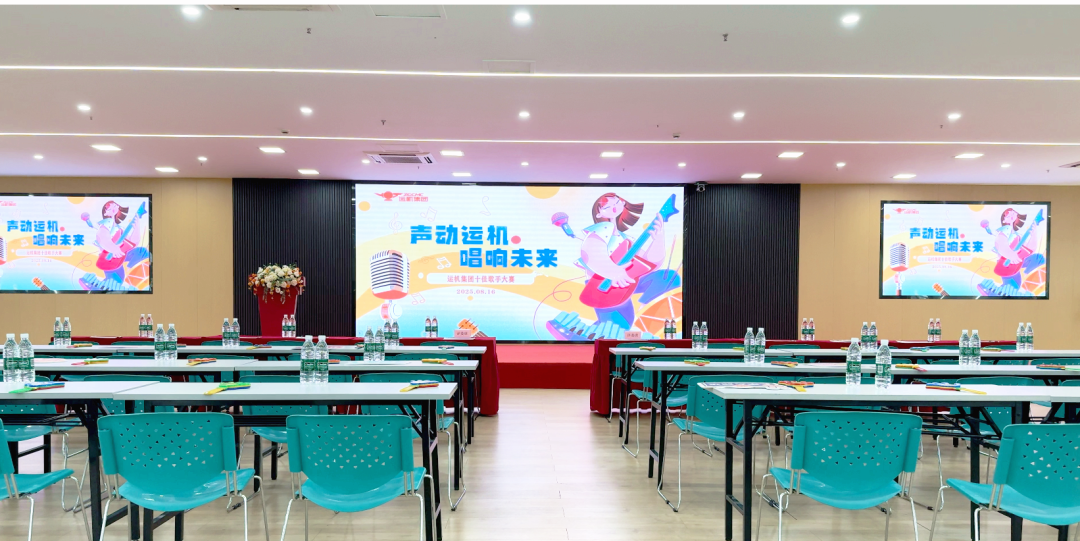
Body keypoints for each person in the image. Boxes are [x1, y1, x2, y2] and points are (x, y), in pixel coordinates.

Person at [578, 193, 667, 329]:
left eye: (616, 202)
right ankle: (583, 333)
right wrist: (613, 272)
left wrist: (658, 239)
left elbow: (649, 263)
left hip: (625, 282)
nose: (613, 207)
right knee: (618, 324)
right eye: (607, 206)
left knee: (667, 277)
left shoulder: (625, 238)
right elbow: (589, 253)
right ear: (599, 214)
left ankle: (646, 306)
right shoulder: (601, 229)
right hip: (602, 284)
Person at [92, 200, 149, 286]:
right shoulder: (106, 223)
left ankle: (130, 270)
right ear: (105, 213)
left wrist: (137, 226)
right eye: (109, 208)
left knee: (142, 252)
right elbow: (101, 237)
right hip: (109, 257)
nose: (113, 208)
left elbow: (132, 243)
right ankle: (95, 283)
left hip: (121, 255)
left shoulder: (120, 228)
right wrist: (113, 248)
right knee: (116, 281)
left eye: (114, 206)